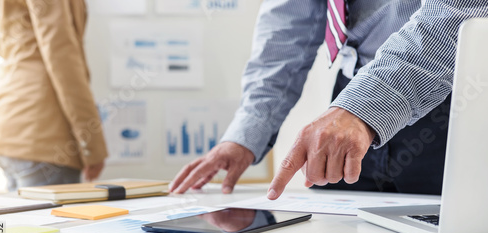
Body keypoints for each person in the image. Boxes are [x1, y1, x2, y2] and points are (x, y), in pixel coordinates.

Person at [169, 0, 488, 199]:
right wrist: (247, 131)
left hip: (453, 95)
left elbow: (460, 11)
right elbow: (287, 28)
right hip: (349, 103)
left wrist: (362, 108)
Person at [0, 0, 108, 191]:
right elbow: (62, 58)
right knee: (52, 221)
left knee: (16, 221)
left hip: (7, 127)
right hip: (44, 135)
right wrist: (91, 145)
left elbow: (5, 44)